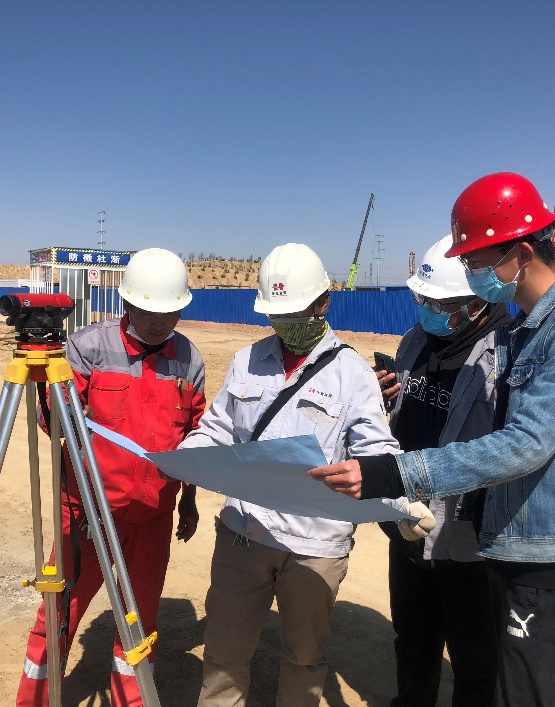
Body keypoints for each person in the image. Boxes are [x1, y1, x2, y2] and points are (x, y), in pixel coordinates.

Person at [311, 172, 555, 707]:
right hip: (496, 538)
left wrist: (395, 473)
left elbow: (524, 443)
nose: (471, 272)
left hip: (544, 549)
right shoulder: (525, 329)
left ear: (521, 254)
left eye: (478, 262)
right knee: (440, 652)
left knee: (510, 682)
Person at [178, 242, 430, 707]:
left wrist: (401, 500)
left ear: (323, 303)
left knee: (305, 659)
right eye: (278, 315)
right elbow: (217, 428)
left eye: (296, 312)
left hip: (315, 547)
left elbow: (375, 450)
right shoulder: (246, 362)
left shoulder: (351, 374)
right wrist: (187, 456)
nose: (287, 323)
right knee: (224, 655)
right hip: (244, 534)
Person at [16, 248, 206, 707]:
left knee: (140, 620)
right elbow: (52, 420)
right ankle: (36, 700)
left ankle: (132, 700)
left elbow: (195, 436)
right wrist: (51, 394)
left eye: (170, 312)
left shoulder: (189, 358)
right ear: (127, 303)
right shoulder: (89, 347)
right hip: (88, 512)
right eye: (149, 312)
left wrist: (189, 500)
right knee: (59, 614)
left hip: (153, 514)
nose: (160, 323)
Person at [376, 234, 511, 707]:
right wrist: (386, 396)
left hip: (468, 539)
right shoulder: (416, 340)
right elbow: (406, 419)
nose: (431, 312)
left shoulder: (506, 354)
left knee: (476, 659)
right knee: (413, 639)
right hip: (408, 521)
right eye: (424, 301)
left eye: (443, 305)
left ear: (477, 301)